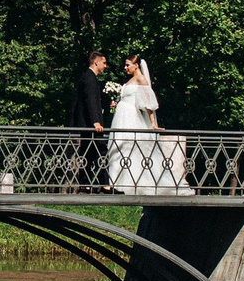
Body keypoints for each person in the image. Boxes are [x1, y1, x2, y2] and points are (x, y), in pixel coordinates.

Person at [108, 56, 179, 192]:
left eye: (128, 65)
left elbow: (148, 103)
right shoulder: (130, 80)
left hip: (131, 116)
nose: (125, 67)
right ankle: (115, 182)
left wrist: (152, 122)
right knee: (118, 146)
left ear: (136, 65)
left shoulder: (141, 79)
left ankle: (131, 183)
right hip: (121, 116)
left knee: (130, 147)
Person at [65, 50, 109, 190]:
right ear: (96, 62)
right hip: (90, 125)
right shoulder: (89, 78)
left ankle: (85, 184)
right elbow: (90, 100)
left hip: (86, 124)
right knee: (101, 151)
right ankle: (104, 185)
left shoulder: (87, 77)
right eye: (104, 63)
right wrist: (96, 121)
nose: (105, 66)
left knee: (87, 153)